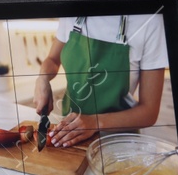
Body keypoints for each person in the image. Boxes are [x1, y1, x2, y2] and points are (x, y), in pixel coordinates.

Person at [32, 14, 170, 148]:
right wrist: (43, 78)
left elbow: (149, 112)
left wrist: (95, 122)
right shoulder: (72, 11)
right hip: (69, 135)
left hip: (117, 143)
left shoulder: (150, 21)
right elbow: (53, 60)